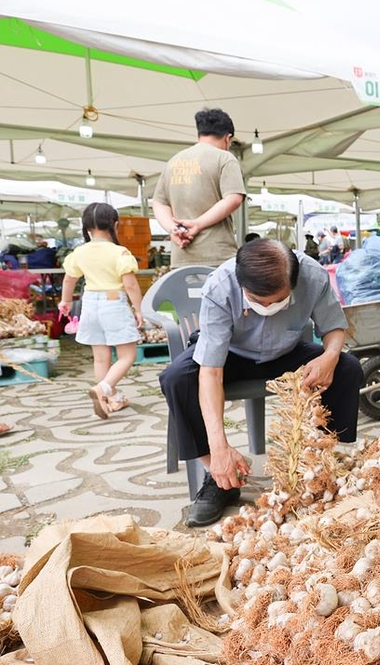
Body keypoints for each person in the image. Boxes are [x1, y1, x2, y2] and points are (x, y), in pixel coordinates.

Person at [158, 239, 364, 526]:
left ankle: (322, 466)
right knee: (177, 378)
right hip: (230, 353)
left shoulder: (312, 275)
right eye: (256, 301)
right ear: (242, 285)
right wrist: (219, 447)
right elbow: (211, 372)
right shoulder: (220, 286)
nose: (267, 307)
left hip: (285, 351)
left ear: (293, 282)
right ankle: (219, 477)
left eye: (278, 301)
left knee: (347, 368)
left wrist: (329, 357)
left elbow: (335, 327)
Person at [57, 203, 144, 419]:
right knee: (127, 355)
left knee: (100, 358)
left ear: (86, 227)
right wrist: (138, 309)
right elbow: (131, 285)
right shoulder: (119, 252)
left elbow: (69, 278)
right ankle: (103, 389)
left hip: (89, 303)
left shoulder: (80, 252)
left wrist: (65, 301)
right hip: (113, 303)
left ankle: (110, 399)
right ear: (115, 224)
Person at [152, 108, 246, 268]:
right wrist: (197, 224)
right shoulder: (224, 158)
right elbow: (234, 198)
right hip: (217, 255)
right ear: (228, 138)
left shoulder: (174, 161)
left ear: (199, 134)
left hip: (181, 256)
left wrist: (174, 229)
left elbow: (158, 202)